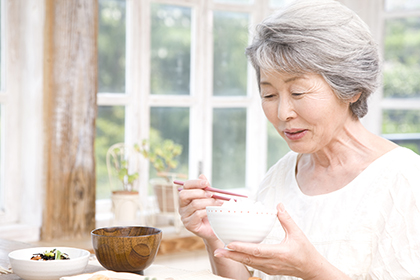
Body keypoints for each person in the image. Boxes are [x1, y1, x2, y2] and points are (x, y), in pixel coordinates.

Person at [178, 0, 420, 279]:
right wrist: (214, 235)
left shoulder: (405, 180)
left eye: (298, 93)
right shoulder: (281, 175)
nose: (282, 113)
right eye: (269, 95)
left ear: (351, 88)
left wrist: (312, 270)